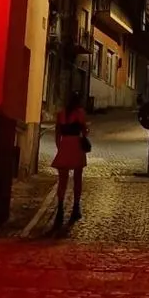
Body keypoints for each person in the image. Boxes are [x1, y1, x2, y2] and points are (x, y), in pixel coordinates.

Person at [51, 90, 89, 229]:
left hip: (65, 146)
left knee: (62, 180)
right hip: (76, 146)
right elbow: (84, 131)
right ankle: (75, 208)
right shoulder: (80, 113)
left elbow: (57, 133)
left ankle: (60, 209)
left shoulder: (61, 114)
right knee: (77, 178)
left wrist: (60, 147)